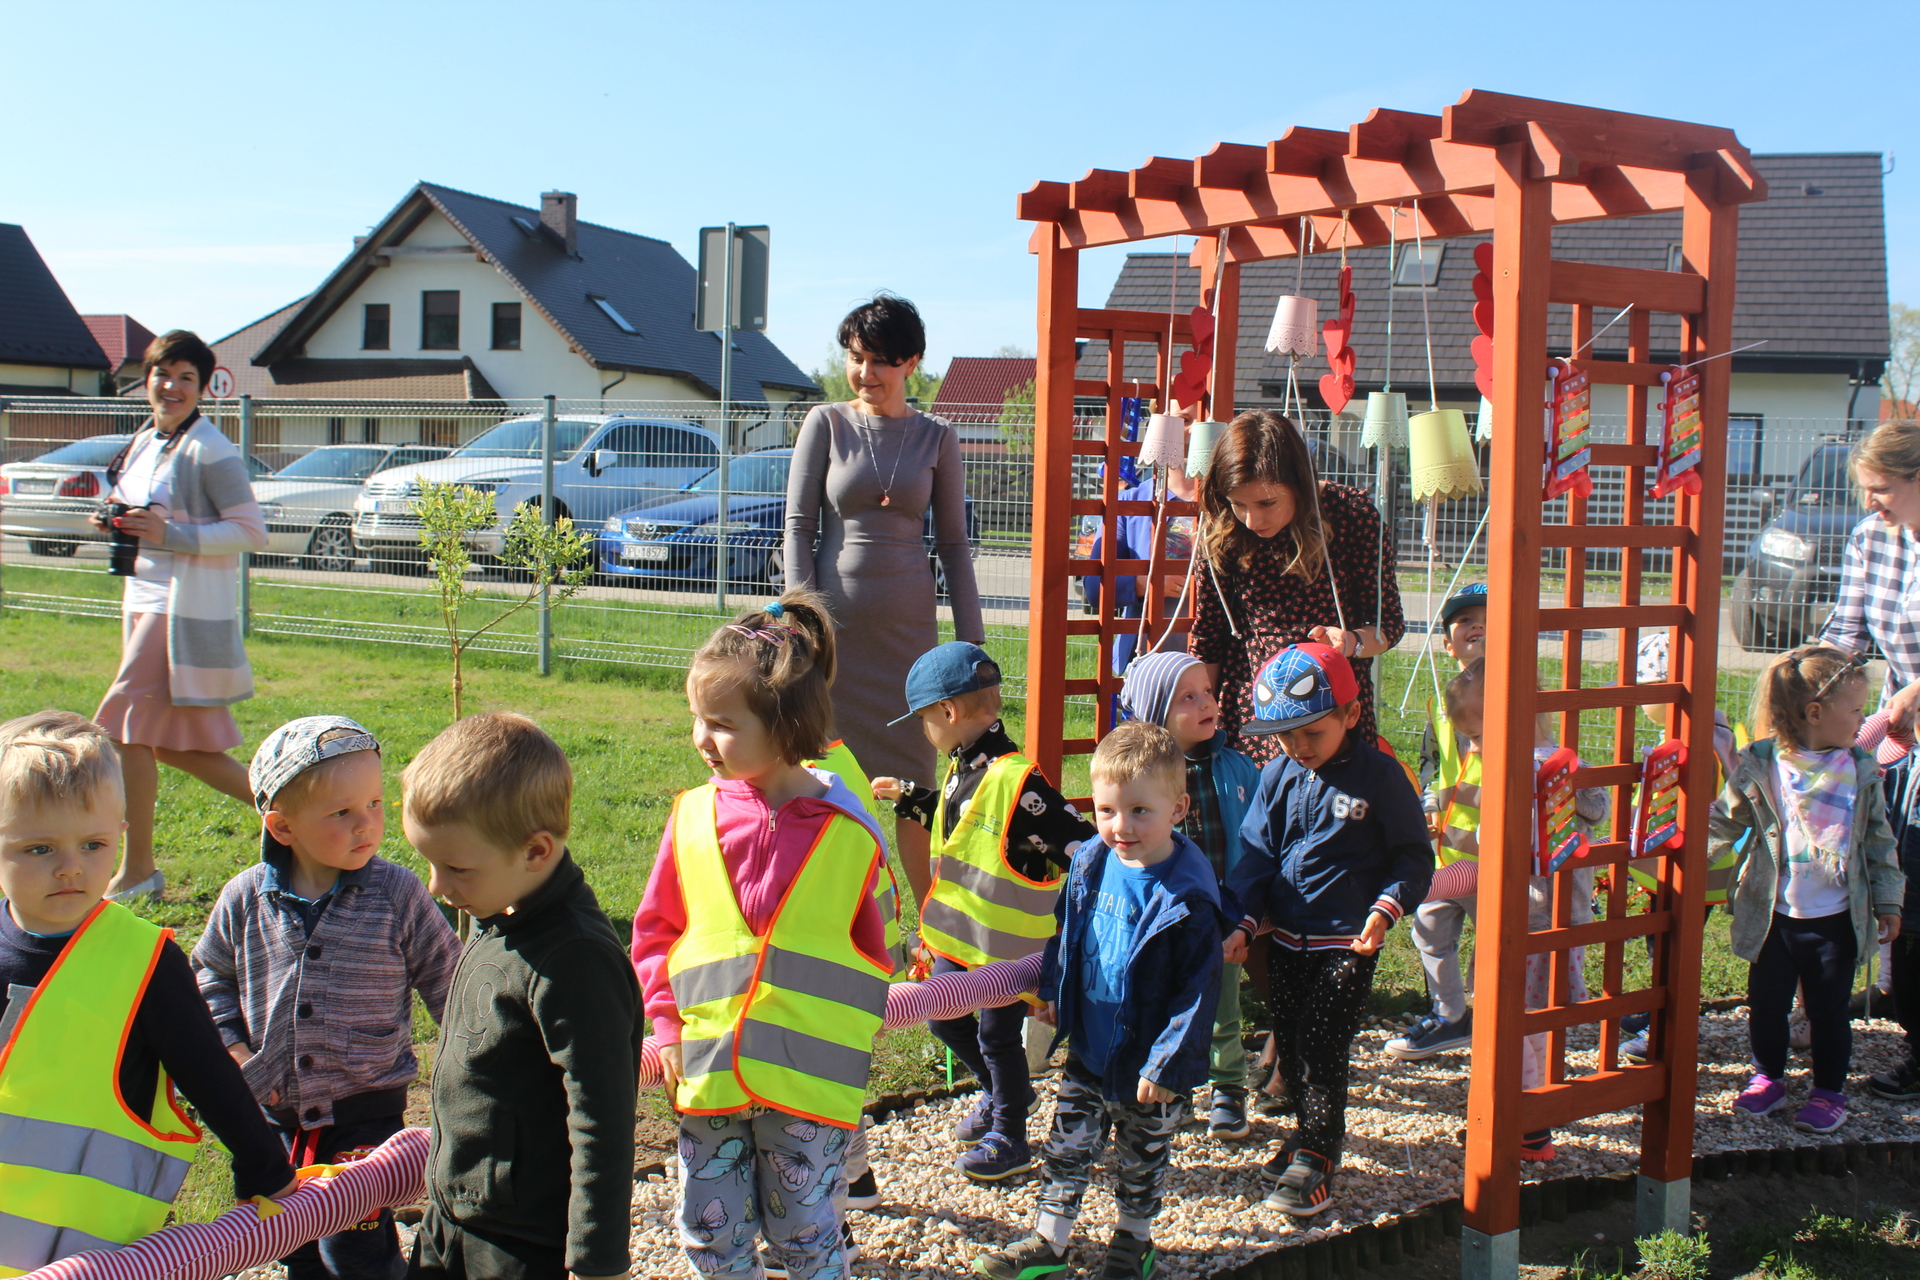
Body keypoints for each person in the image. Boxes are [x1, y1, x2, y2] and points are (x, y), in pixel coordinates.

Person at [631, 592, 892, 1280]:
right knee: (710, 1234)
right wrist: (665, 1025)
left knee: (805, 1233)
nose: (700, 737)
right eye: (697, 717)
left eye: (721, 723)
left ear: (785, 726)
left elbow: (874, 950)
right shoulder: (691, 819)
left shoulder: (849, 832)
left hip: (807, 1084)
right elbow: (656, 931)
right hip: (710, 1072)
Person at [0, 710, 295, 1273]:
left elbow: (208, 1073)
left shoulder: (143, 962)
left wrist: (265, 1168)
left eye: (93, 844)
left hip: (98, 1252)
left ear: (123, 835)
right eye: (39, 849)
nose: (70, 868)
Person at [191, 716, 460, 1280]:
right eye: (341, 812)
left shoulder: (397, 894)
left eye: (375, 804)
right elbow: (209, 976)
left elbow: (450, 981)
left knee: (355, 1251)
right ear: (283, 827)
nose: (366, 824)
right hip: (274, 1114)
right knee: (293, 1241)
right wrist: (233, 1050)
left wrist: (476, 1064)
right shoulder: (244, 900)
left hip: (366, 1112)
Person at [972, 722, 1227, 1280]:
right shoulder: (1092, 860)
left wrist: (1167, 1062)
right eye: (1107, 810)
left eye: (1140, 811)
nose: (1121, 826)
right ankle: (1050, 1240)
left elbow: (1198, 989)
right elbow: (1067, 931)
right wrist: (1051, 991)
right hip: (1089, 1048)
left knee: (1141, 1157)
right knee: (1066, 1147)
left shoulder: (1186, 897)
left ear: (1178, 809)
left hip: (1145, 1058)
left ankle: (1134, 1241)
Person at [402, 714, 639, 1280]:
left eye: (456, 868)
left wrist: (597, 1260)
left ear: (535, 851)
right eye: (429, 863)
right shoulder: (502, 911)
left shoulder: (576, 959)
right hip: (454, 1220)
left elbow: (601, 1119)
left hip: (524, 1244)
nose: (436, 886)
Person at [785, 294, 985, 914]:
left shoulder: (937, 438)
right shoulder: (825, 423)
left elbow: (953, 544)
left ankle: (928, 923)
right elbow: (798, 526)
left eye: (879, 361)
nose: (864, 373)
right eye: (856, 358)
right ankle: (833, 909)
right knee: (825, 774)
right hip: (834, 638)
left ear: (911, 362)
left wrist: (971, 641)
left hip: (908, 639)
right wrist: (801, 621)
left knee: (914, 784)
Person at [871, 642, 1094, 1182]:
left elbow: (1082, 846)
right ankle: (1003, 1092)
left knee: (998, 1038)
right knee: (942, 1019)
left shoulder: (1018, 782)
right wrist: (912, 798)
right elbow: (962, 821)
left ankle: (1010, 1133)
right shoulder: (964, 766)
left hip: (1007, 954)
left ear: (948, 711)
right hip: (959, 939)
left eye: (923, 718)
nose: (923, 729)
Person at [1227, 645, 1432, 1216]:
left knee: (1321, 1045)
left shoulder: (1381, 777)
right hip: (1286, 939)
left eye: (1311, 732)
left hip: (1347, 941)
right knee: (1292, 1042)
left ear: (1351, 713)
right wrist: (1244, 919)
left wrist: (1386, 908)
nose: (1298, 746)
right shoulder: (1277, 775)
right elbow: (1255, 854)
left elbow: (1414, 857)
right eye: (1285, 736)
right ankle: (1305, 1132)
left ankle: (1320, 1151)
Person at [1390, 662, 1605, 1159]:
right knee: (1537, 1022)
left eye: (1478, 736)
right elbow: (1598, 808)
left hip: (1528, 918)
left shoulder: (1517, 776)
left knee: (1507, 1023)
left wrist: (1424, 883)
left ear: (1511, 718)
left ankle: (1520, 1122)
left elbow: (1501, 854)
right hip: (1565, 913)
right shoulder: (1562, 762)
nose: (1474, 749)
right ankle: (1538, 1116)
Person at [91, 330, 268, 902]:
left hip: (178, 609)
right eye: (162, 374)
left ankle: (138, 870)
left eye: (185, 377)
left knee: (120, 729)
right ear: (146, 380)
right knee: (171, 747)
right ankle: (295, 812)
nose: (171, 386)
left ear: (203, 388)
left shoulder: (209, 448)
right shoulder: (146, 439)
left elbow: (250, 530)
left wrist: (170, 534)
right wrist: (114, 519)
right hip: (141, 600)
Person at [1714, 646, 1904, 1135]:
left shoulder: (1859, 770)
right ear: (1815, 713)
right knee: (1766, 1006)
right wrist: (1691, 858)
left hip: (1835, 921)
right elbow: (1724, 818)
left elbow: (1879, 842)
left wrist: (1888, 899)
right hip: (1773, 918)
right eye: (1856, 709)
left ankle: (1828, 1092)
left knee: (1828, 1012)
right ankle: (1768, 1077)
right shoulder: (1763, 764)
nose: (1862, 719)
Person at [1190, 411, 1405, 767]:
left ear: (1299, 484)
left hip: (1330, 714)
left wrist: (1350, 642)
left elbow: (1389, 624)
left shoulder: (1352, 515)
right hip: (1254, 713)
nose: (1252, 520)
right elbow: (1209, 637)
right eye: (1238, 504)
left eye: (1266, 503)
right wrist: (1200, 725)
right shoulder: (1223, 527)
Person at [1117, 650, 1260, 1140]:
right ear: (1157, 714)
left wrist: (1246, 911)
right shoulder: (1144, 777)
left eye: (1208, 692)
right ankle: (1172, 1086)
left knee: (1222, 1007)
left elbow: (1258, 841)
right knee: (1165, 1003)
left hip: (1221, 913)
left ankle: (1228, 1087)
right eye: (1188, 697)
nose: (1207, 703)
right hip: (1162, 913)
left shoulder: (1237, 767)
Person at [1820, 419, 1920, 1102]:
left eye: (1880, 488)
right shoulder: (1871, 538)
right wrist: (1805, 688)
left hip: (1910, 710)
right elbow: (1845, 636)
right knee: (1896, 874)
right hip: (1901, 736)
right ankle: (1899, 1002)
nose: (1869, 502)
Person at [1387, 584, 1490, 1062]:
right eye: (1464, 620)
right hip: (1449, 850)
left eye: (1487, 617)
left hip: (1496, 852)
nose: (1476, 625)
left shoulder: (1520, 698)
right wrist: (1428, 802)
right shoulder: (1441, 707)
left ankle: (1492, 1013)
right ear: (1448, 645)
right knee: (1429, 926)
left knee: (1496, 938)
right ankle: (1450, 1014)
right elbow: (1432, 763)